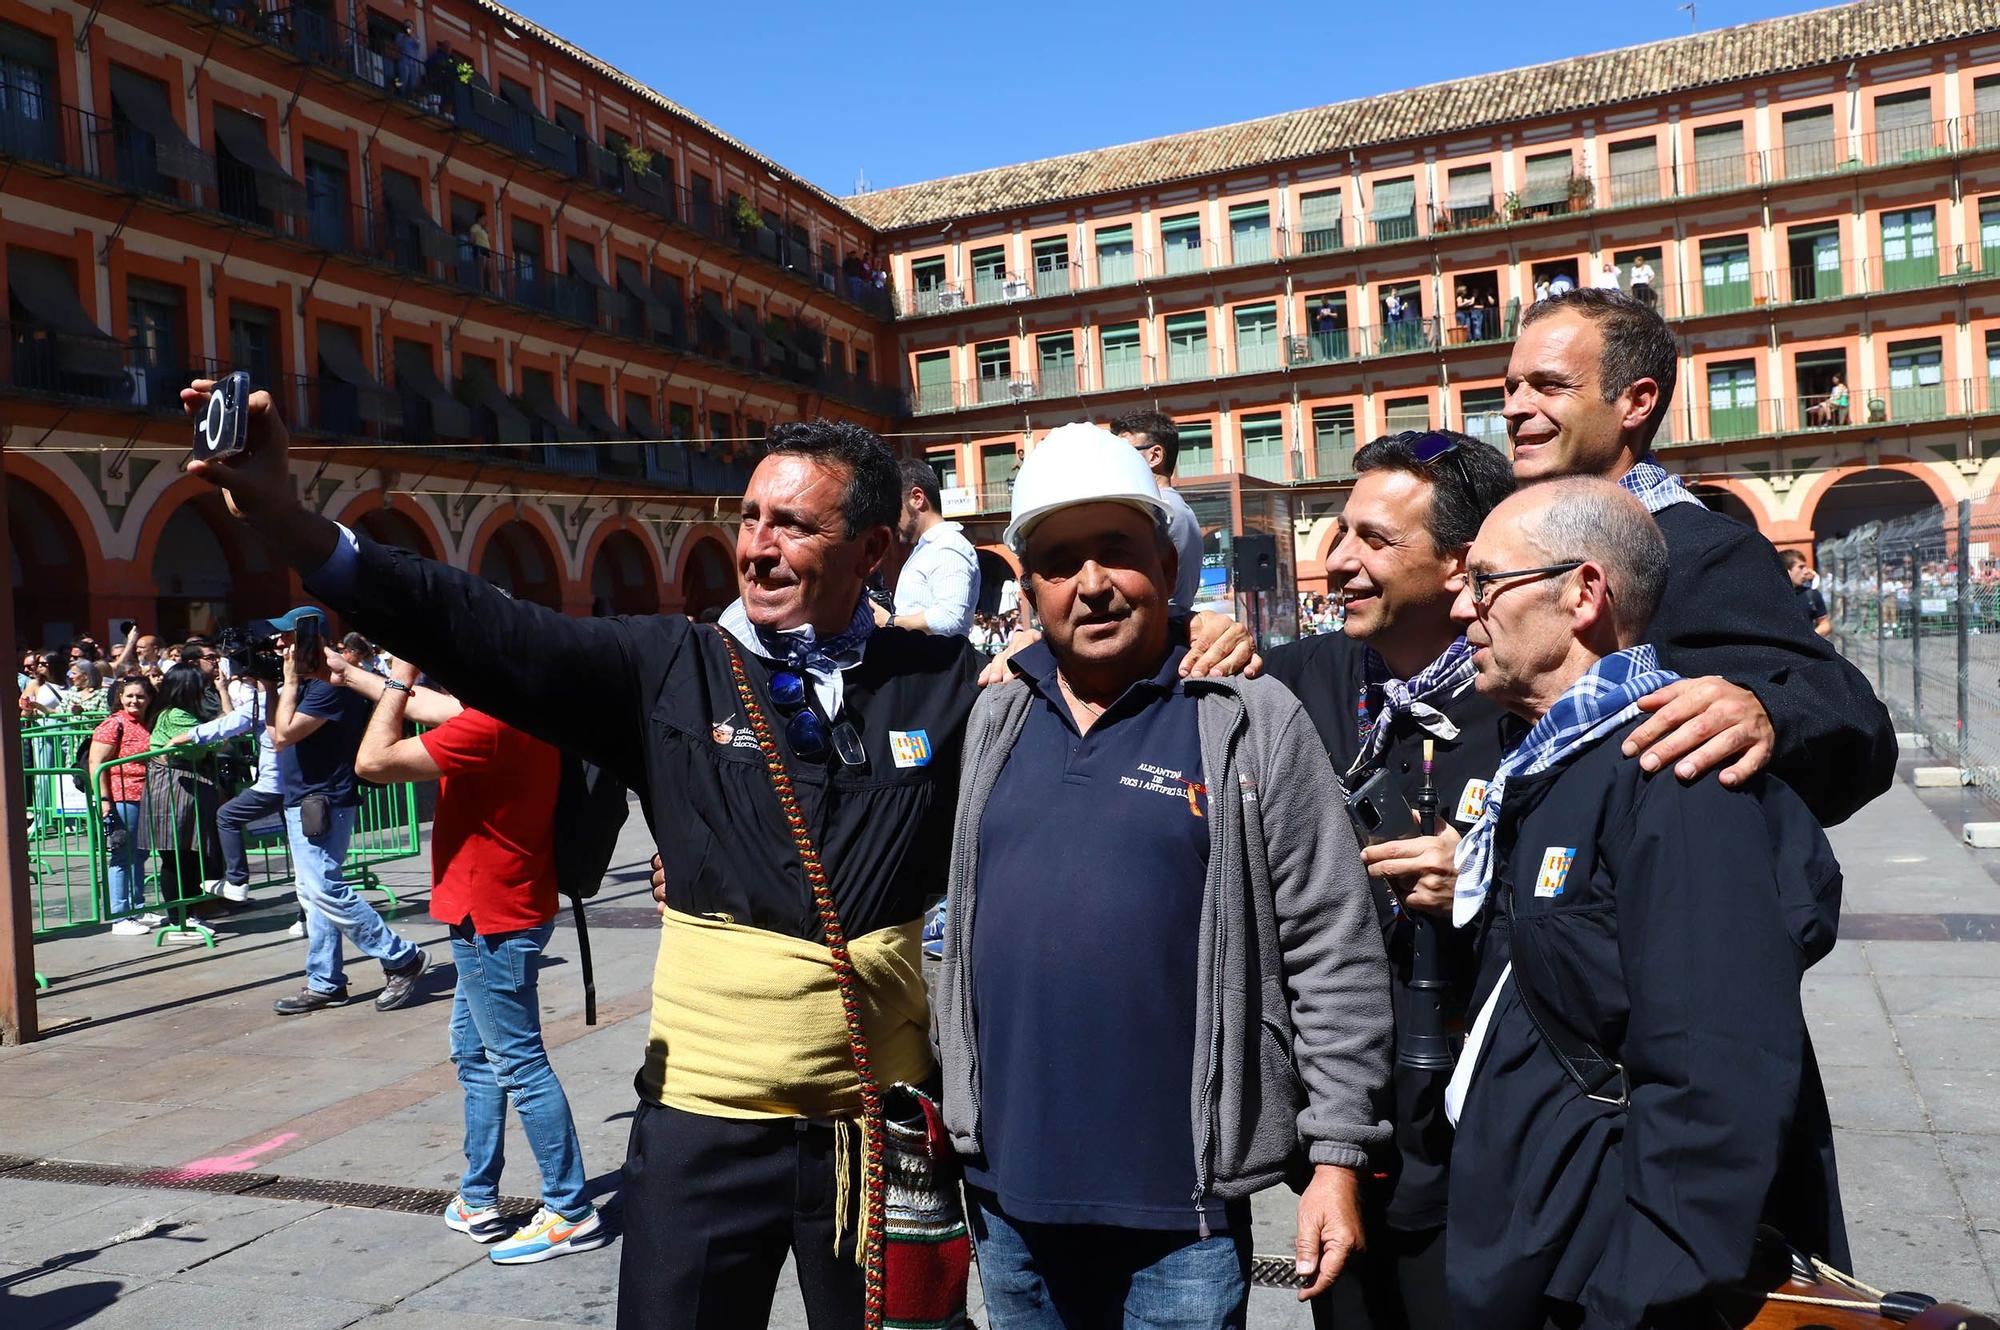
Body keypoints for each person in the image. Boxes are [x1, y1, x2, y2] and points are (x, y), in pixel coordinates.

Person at [180, 376, 1252, 1330]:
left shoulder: (943, 682)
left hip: (869, 1135)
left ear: (871, 550)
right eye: (747, 518)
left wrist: (1200, 640)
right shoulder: (665, 670)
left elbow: (1090, 675)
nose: (756, 546)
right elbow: (484, 630)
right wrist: (292, 521)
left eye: (792, 525)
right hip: (699, 1123)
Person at [935, 423, 1392, 1326]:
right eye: (1061, 562)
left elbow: (1333, 947)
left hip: (1177, 1212)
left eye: (1118, 553)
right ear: (1028, 589)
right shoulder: (996, 715)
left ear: (1169, 567)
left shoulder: (1246, 714)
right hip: (1005, 1198)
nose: (1092, 585)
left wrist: (1336, 1158)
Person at [1442, 478, 1843, 1330]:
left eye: (1482, 582)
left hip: (1606, 1282)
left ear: (1583, 593)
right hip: (1536, 1256)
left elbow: (1713, 1079)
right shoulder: (1552, 764)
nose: (1459, 609)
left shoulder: (1674, 773)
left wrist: (1638, 1300)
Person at [1259, 430, 1517, 1330]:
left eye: (1374, 540)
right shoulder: (1291, 680)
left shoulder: (1528, 699)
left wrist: (1489, 877)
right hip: (1336, 1130)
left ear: (1459, 564)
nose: (1337, 562)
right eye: (1338, 534)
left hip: (1480, 1142)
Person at [1502, 288, 1894, 825]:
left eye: (1549, 386)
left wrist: (1766, 712)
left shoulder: (1705, 552)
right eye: (1512, 387)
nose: (1515, 407)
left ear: (1636, 402)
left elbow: (1857, 724)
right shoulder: (1508, 544)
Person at [351, 656, 607, 1265]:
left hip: (492, 917)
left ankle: (571, 1210)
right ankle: (477, 1197)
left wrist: (394, 676)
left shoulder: (486, 726)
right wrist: (345, 673)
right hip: (495, 909)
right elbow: (421, 705)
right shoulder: (516, 708)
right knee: (476, 1055)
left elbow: (373, 761)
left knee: (519, 1063)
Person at [264, 606, 428, 1016]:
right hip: (303, 796)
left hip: (323, 798)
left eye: (286, 637)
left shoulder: (328, 686)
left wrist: (285, 682)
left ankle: (401, 956)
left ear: (310, 639)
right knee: (312, 893)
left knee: (323, 888)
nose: (278, 644)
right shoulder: (308, 682)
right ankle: (325, 980)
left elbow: (284, 735)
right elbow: (274, 730)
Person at [168, 668, 279, 904]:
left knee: (227, 815)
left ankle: (237, 882)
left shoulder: (272, 698)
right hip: (300, 782)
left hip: (278, 783)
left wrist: (189, 735)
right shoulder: (296, 695)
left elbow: (232, 723)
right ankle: (306, 916)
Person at [143, 662, 223, 920]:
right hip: (172, 787)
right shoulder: (175, 714)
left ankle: (187, 914)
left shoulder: (181, 712)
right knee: (176, 857)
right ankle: (179, 920)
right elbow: (211, 742)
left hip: (182, 786)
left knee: (187, 856)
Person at [1113, 410, 1205, 613]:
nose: (1115, 461)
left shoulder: (1158, 506)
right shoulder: (1179, 507)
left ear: (1155, 456)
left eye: (1125, 453)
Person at [881, 457, 980, 636]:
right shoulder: (929, 548)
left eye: (895, 509)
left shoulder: (948, 546)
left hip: (939, 662)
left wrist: (890, 621)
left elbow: (950, 618)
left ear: (917, 498)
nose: (892, 520)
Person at [89, 676, 157, 937]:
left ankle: (137, 907)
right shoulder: (113, 724)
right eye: (129, 696)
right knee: (122, 855)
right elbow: (96, 763)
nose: (134, 700)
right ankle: (120, 915)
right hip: (121, 795)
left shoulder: (144, 723)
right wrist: (104, 799)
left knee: (139, 854)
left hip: (144, 794)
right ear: (120, 697)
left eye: (140, 696)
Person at [1783, 549, 1832, 638]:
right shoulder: (1771, 596)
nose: (1806, 571)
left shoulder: (1811, 595)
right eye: (1801, 567)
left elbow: (1825, 624)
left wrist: (1809, 638)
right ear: (1787, 570)